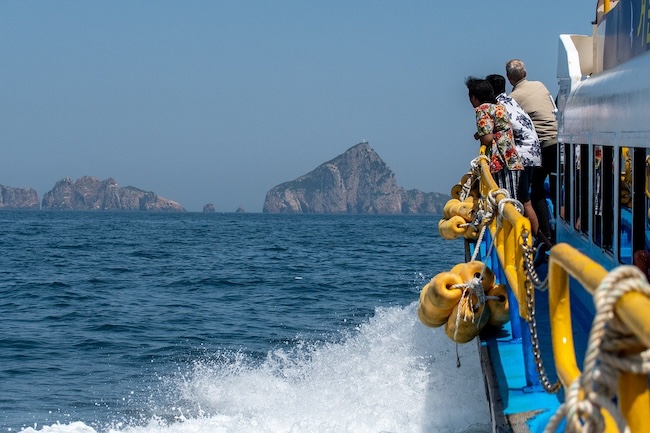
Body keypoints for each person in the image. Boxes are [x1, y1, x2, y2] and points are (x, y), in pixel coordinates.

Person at [486, 74, 547, 245]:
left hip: (522, 156)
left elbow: (502, 130)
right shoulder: (510, 101)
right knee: (525, 198)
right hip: (533, 152)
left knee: (524, 201)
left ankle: (538, 240)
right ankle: (539, 238)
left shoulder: (498, 106)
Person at [506, 59, 558, 244]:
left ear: (509, 79)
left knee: (535, 190)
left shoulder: (513, 98)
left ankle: (546, 236)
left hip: (541, 145)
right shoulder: (540, 85)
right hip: (559, 140)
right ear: (525, 74)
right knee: (559, 188)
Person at [465, 77, 526, 204]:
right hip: (512, 159)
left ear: (474, 97)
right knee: (513, 200)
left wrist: (482, 136)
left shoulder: (482, 109)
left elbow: (487, 139)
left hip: (498, 160)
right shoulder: (499, 107)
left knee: (501, 199)